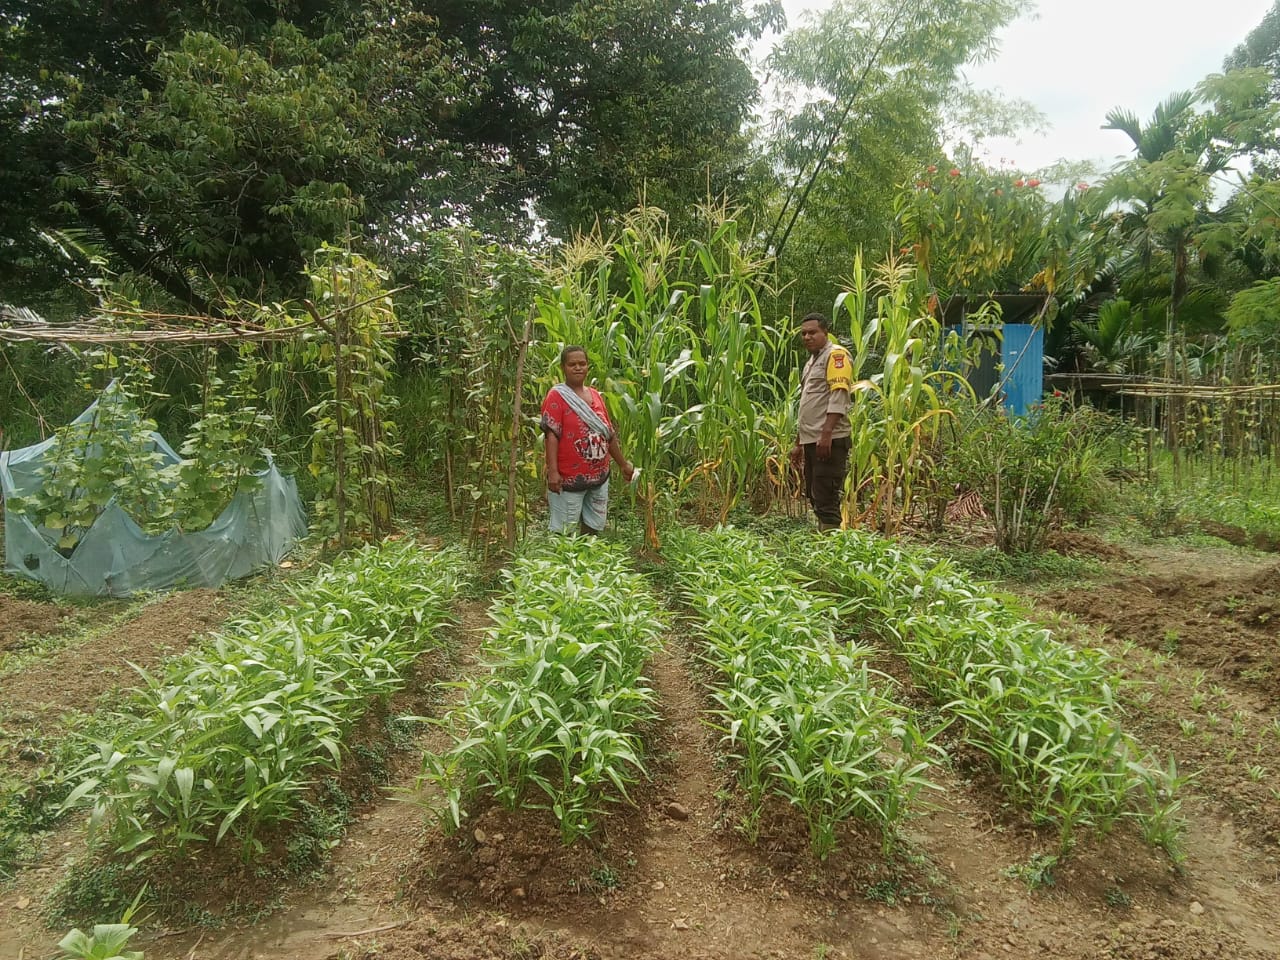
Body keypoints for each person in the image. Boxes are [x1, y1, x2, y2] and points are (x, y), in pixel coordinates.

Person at [540, 345, 635, 535]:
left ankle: (587, 562)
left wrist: (623, 464)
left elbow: (608, 434)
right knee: (563, 531)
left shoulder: (595, 396)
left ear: (588, 367)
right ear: (563, 368)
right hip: (568, 479)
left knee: (592, 527)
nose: (577, 368)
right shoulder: (557, 396)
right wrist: (553, 472)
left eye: (582, 364)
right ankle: (563, 564)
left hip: (599, 477)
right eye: (572, 364)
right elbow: (551, 435)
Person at [789, 313, 853, 532]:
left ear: (825, 332)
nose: (807, 337)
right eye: (803, 333)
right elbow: (809, 405)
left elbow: (839, 396)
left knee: (826, 495)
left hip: (829, 440)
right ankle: (823, 541)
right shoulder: (812, 361)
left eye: (812, 332)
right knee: (815, 494)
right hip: (812, 439)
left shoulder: (836, 356)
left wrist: (826, 435)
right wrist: (799, 443)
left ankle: (832, 550)